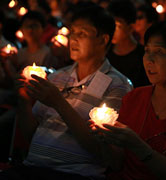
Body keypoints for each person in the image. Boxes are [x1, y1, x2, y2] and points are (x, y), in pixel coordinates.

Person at [0, 3, 132, 180]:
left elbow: (107, 156)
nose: (73, 39)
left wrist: (59, 103)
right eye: (73, 32)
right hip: (31, 167)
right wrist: (23, 101)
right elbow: (32, 136)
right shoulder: (57, 77)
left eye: (82, 34)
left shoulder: (117, 85)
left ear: (103, 40)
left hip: (74, 174)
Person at [94, 21, 166, 180]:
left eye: (159, 51)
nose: (149, 59)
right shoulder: (133, 98)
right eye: (147, 50)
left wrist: (138, 146)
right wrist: (104, 140)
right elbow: (117, 163)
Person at [106, 0, 149, 88]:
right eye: (110, 25)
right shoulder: (105, 53)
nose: (111, 31)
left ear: (131, 27)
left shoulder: (143, 56)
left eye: (117, 26)